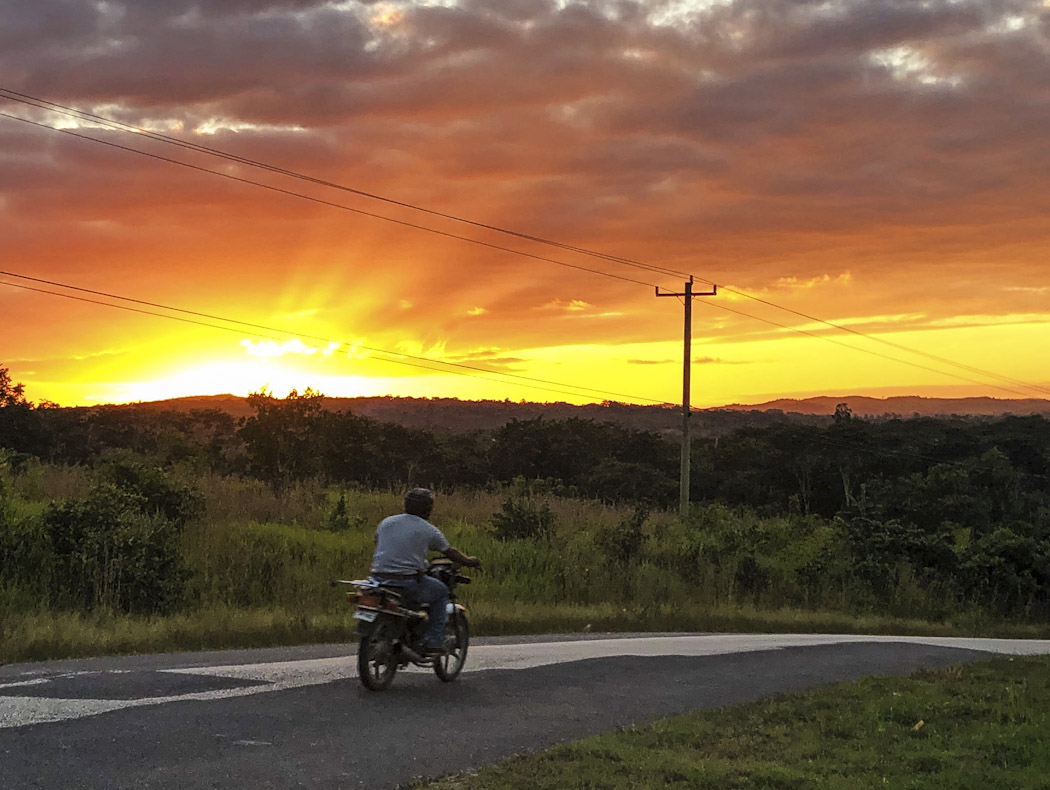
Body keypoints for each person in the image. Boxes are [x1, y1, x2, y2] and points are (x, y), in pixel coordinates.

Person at [370, 488, 480, 657]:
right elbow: (449, 551)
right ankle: (434, 641)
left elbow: (378, 540)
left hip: (377, 579)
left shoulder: (387, 522)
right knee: (441, 591)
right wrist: (469, 561)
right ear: (427, 508)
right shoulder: (428, 529)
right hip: (406, 582)